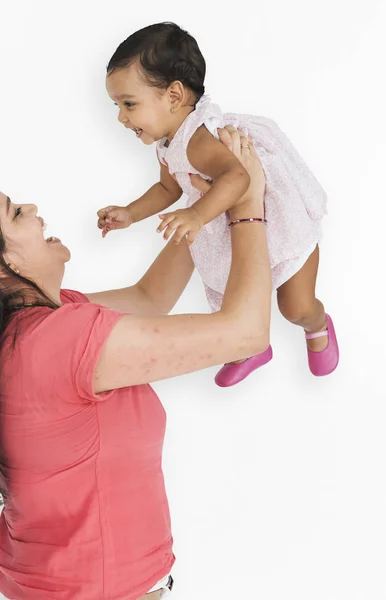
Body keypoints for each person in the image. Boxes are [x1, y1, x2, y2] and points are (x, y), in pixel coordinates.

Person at [0, 127, 270, 600]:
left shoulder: (30, 329)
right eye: (15, 212)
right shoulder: (58, 341)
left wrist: (203, 206)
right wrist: (248, 208)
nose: (31, 208)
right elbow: (245, 333)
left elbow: (149, 298)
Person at [98, 22, 339, 387]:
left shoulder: (197, 138)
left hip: (278, 221)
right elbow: (168, 188)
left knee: (296, 307)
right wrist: (130, 213)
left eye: (128, 104)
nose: (121, 117)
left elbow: (239, 178)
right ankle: (251, 346)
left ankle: (317, 324)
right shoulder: (168, 143)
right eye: (117, 105)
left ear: (174, 96)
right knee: (236, 293)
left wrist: (197, 214)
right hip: (233, 224)